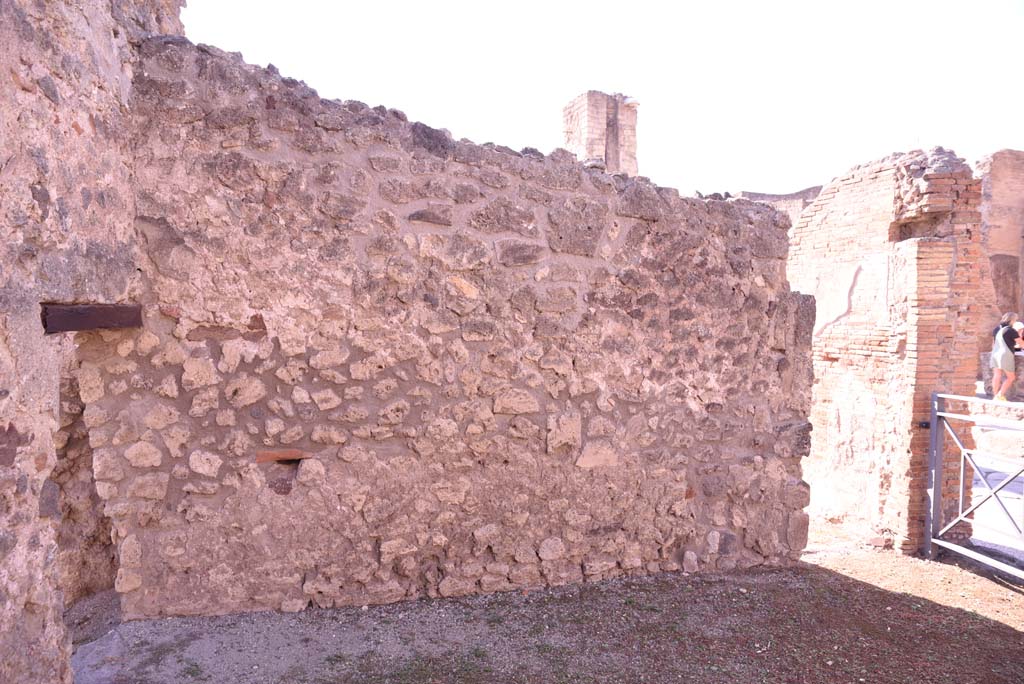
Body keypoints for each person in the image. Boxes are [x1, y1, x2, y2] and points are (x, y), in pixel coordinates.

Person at [990, 312, 1020, 401]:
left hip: (995, 354)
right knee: (1011, 377)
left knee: (997, 375)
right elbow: (1021, 343)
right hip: (1005, 355)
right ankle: (1000, 395)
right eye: (1015, 320)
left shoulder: (996, 329)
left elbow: (993, 343)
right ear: (1012, 320)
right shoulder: (1011, 330)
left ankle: (995, 396)